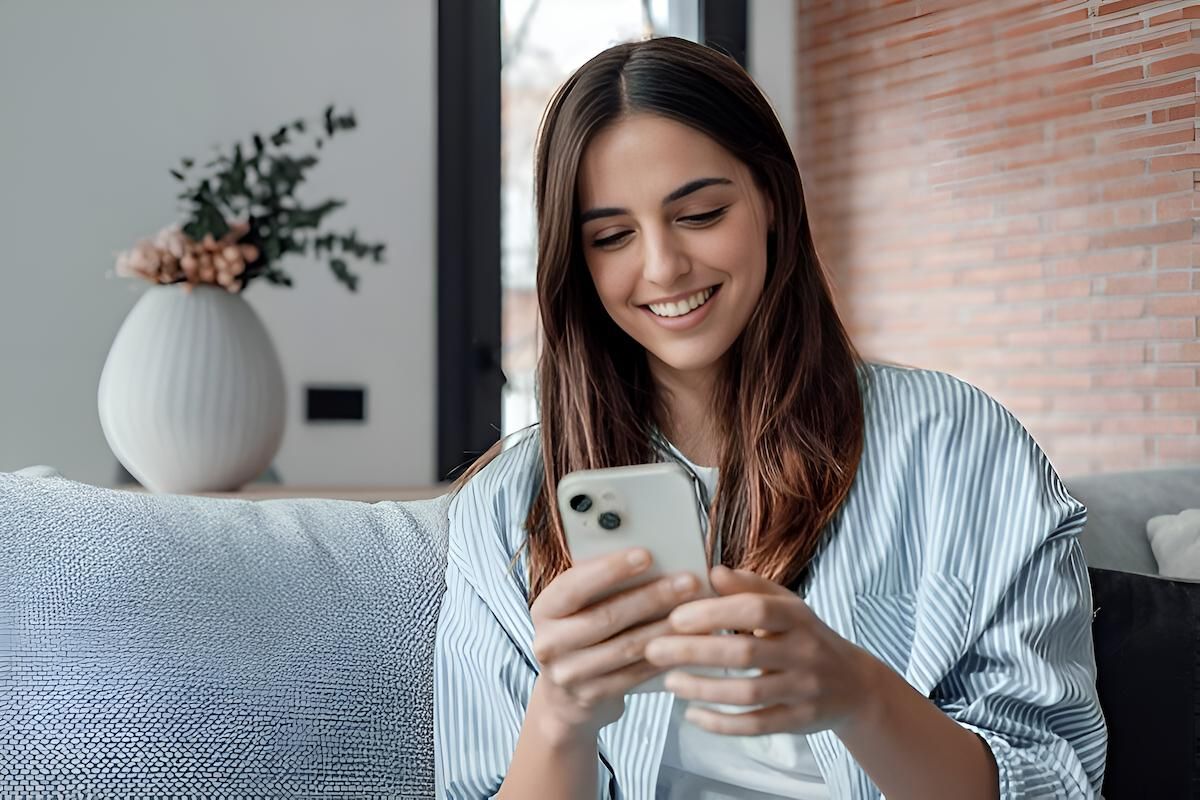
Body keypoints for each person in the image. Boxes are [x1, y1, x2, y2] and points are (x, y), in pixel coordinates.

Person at [433, 36, 1107, 800]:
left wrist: (859, 694)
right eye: (612, 236)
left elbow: (1054, 780)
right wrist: (562, 714)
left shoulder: (958, 446)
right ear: (576, 265)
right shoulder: (507, 510)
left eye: (700, 213)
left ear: (773, 202)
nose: (662, 267)